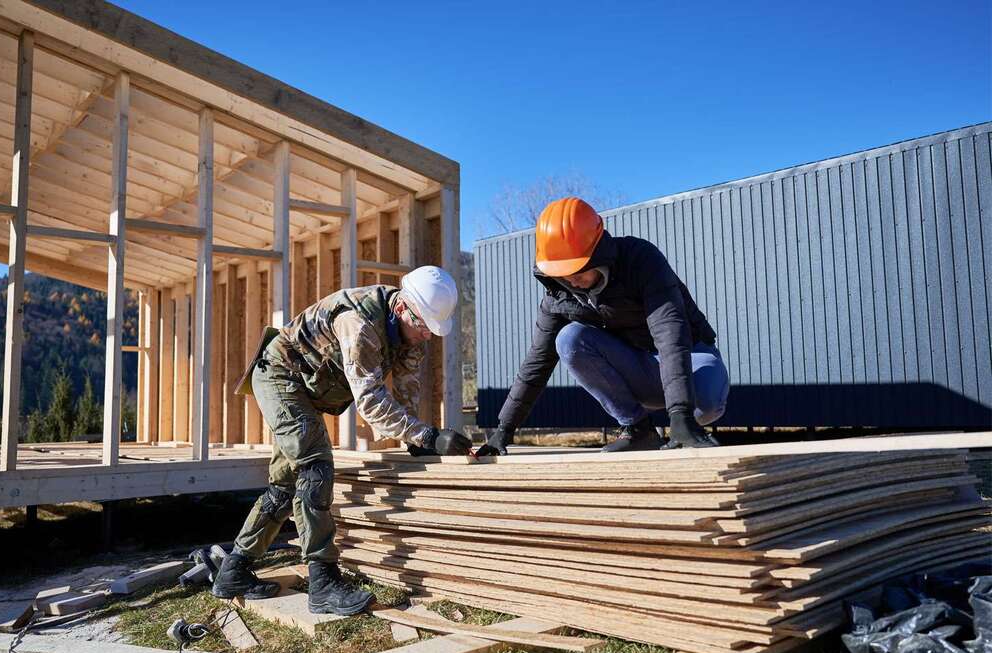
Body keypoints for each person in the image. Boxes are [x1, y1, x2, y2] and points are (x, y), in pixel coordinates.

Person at [211, 266, 473, 613]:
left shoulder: (412, 330)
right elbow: (370, 401)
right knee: (315, 467)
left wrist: (419, 438)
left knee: (286, 484)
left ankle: (235, 570)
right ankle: (323, 582)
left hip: (306, 388)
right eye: (423, 326)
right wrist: (428, 435)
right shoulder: (359, 323)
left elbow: (408, 384)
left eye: (431, 330)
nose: (426, 335)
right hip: (280, 374)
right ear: (401, 310)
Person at [477, 197, 728, 456]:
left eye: (578, 270)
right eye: (563, 274)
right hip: (638, 369)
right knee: (569, 339)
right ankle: (638, 429)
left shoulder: (640, 260)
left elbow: (670, 332)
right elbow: (536, 363)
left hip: (690, 355)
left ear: (598, 251)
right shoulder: (558, 296)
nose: (572, 281)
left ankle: (685, 418)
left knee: (704, 406)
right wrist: (503, 430)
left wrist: (680, 413)